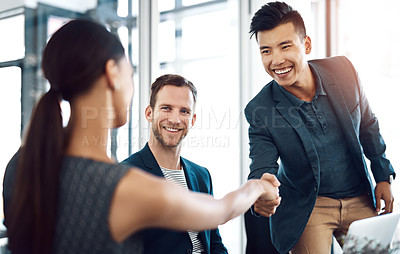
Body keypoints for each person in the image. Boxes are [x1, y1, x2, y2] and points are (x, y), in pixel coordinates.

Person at [2, 19, 281, 254]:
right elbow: (221, 210)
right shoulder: (121, 186)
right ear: (112, 73)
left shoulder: (22, 166)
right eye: (131, 72)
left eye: (184, 111)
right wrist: (258, 186)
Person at [244, 2, 396, 254]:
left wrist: (383, 176)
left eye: (285, 46)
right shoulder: (260, 109)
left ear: (306, 45)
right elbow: (261, 167)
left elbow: (368, 124)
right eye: (266, 51)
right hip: (308, 206)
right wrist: (260, 190)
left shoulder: (343, 71)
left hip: (358, 195)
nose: (276, 60)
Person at [122, 74, 229, 254]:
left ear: (192, 120)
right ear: (149, 113)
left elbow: (215, 243)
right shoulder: (126, 174)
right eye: (166, 108)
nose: (175, 119)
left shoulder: (203, 176)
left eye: (184, 111)